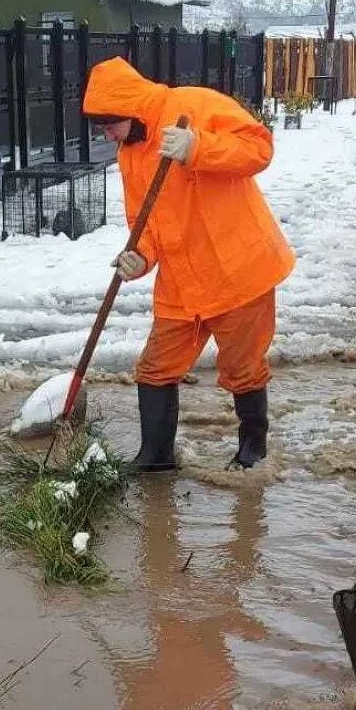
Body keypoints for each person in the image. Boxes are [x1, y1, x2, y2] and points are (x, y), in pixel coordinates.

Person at [81, 56, 295, 473]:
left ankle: (253, 449)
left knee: (242, 367)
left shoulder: (194, 105)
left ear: (129, 110)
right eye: (101, 128)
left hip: (238, 269)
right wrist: (138, 257)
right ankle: (156, 457)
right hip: (182, 278)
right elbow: (142, 219)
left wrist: (199, 147)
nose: (107, 135)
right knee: (156, 368)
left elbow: (259, 148)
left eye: (109, 125)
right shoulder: (129, 152)